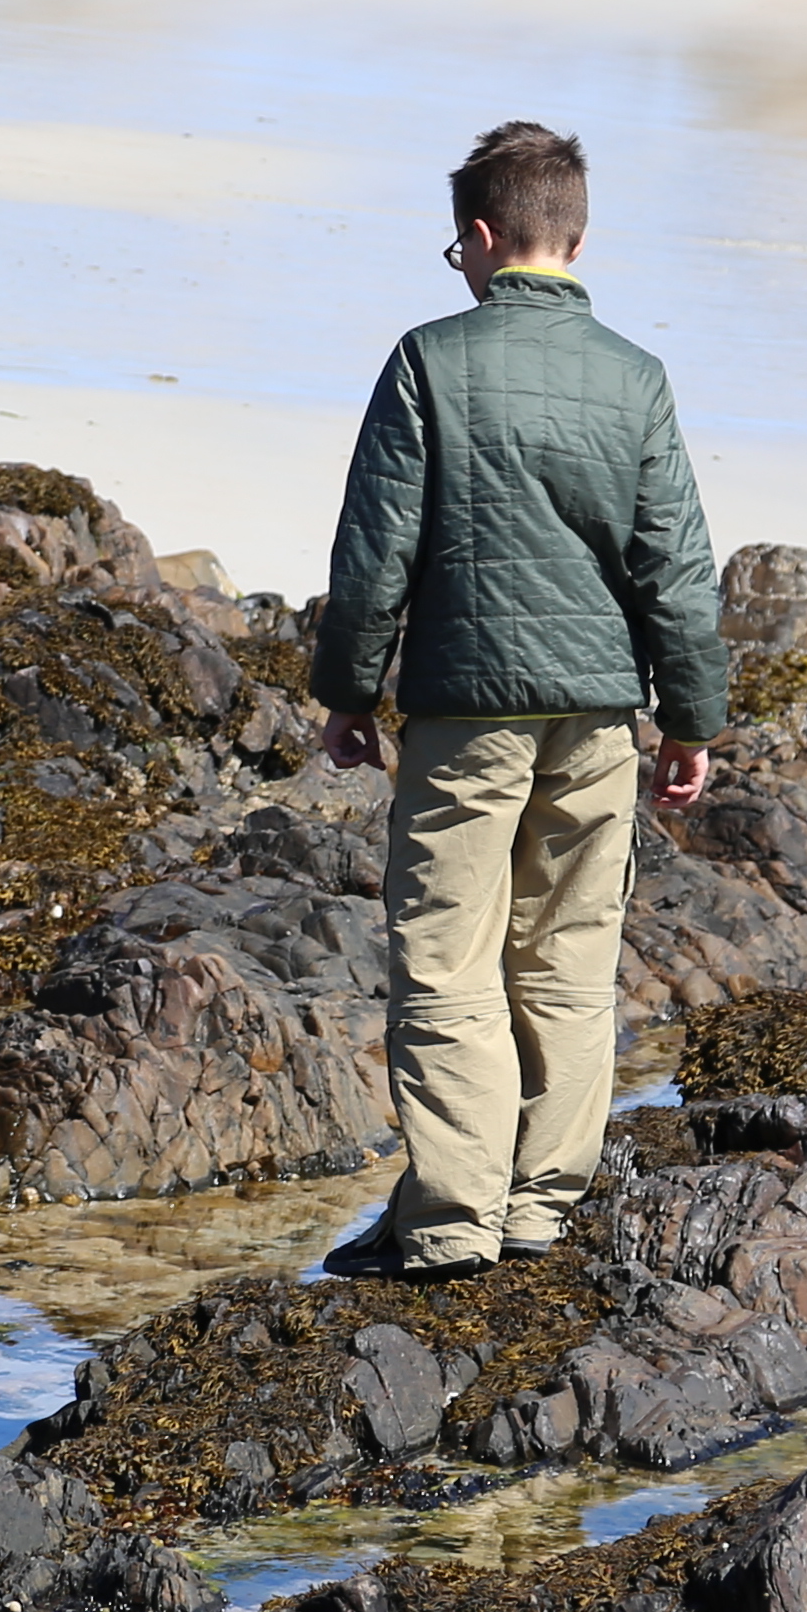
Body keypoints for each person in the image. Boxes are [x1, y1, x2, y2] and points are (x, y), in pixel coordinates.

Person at [310, 119, 728, 1286]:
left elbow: (374, 551)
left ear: (482, 239)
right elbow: (676, 572)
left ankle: (452, 1220)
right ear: (576, 239)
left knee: (446, 958)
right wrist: (691, 719)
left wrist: (348, 689)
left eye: (459, 253)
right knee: (567, 957)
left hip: (464, 712)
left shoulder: (429, 362)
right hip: (598, 717)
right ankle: (542, 1201)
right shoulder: (637, 379)